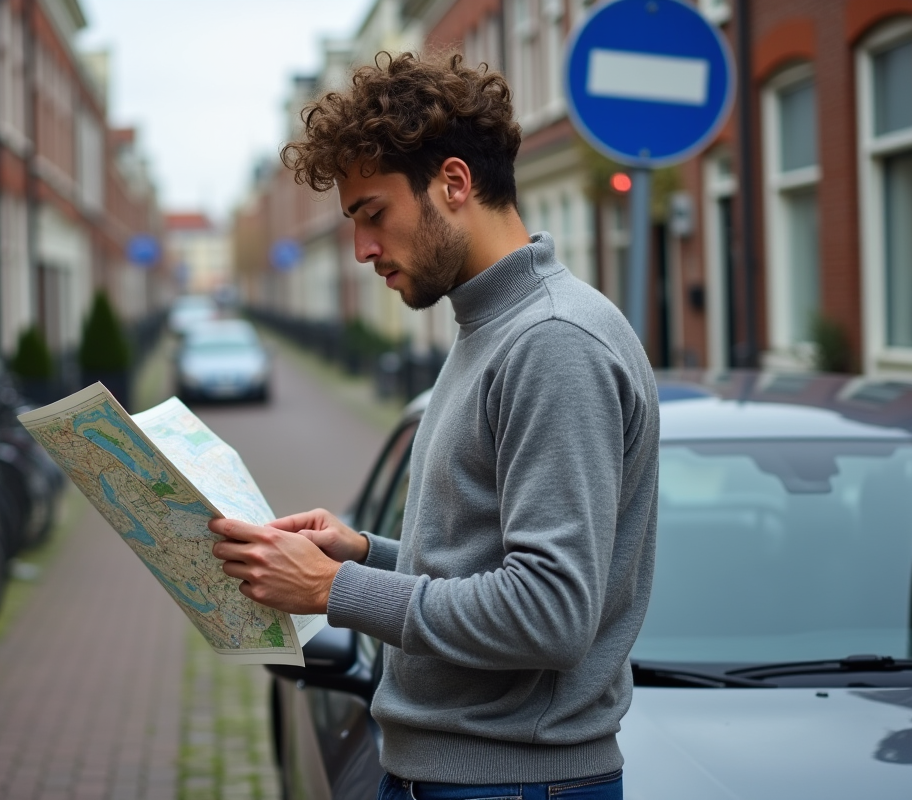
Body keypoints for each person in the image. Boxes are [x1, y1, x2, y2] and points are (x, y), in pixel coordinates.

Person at [209, 51, 659, 800]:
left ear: (453, 183)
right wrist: (365, 551)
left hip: (511, 786)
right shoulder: (491, 327)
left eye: (373, 214)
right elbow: (482, 564)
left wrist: (334, 589)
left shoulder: (552, 342)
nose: (362, 252)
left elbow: (550, 614)